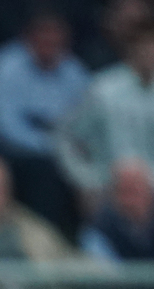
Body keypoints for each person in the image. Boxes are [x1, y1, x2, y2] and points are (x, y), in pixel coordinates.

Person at [0, 9, 88, 240]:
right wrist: (54, 148)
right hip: (10, 150)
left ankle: (76, 245)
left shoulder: (75, 72)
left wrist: (64, 149)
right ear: (28, 37)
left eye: (55, 33)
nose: (49, 39)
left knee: (87, 174)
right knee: (45, 171)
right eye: (43, 33)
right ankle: (42, 241)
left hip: (62, 151)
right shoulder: (5, 65)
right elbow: (4, 125)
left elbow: (83, 124)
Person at [57, 24, 154, 207]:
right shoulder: (103, 90)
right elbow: (67, 136)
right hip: (108, 190)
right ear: (131, 49)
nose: (150, 52)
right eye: (145, 45)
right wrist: (85, 180)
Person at [81, 158, 154, 260]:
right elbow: (104, 270)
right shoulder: (99, 231)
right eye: (125, 191)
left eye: (137, 191)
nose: (132, 200)